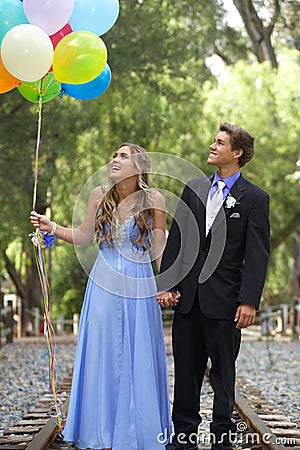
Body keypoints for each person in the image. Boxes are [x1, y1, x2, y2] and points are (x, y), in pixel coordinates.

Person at [30, 143, 172, 450]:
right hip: (103, 284)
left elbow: (159, 249)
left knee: (138, 353)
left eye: (123, 156)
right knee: (104, 352)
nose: (115, 159)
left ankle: (139, 431)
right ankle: (103, 432)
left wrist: (169, 284)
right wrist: (51, 226)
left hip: (139, 283)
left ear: (139, 166)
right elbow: (83, 236)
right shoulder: (99, 195)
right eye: (114, 155)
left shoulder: (154, 199)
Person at [157, 122, 270, 450]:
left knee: (223, 376)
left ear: (237, 153)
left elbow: (257, 255)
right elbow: (178, 240)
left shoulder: (255, 199)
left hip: (226, 303)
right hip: (188, 301)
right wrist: (168, 284)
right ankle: (184, 439)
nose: (212, 145)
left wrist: (248, 301)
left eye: (219, 143)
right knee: (187, 375)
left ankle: (222, 440)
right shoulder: (192, 188)